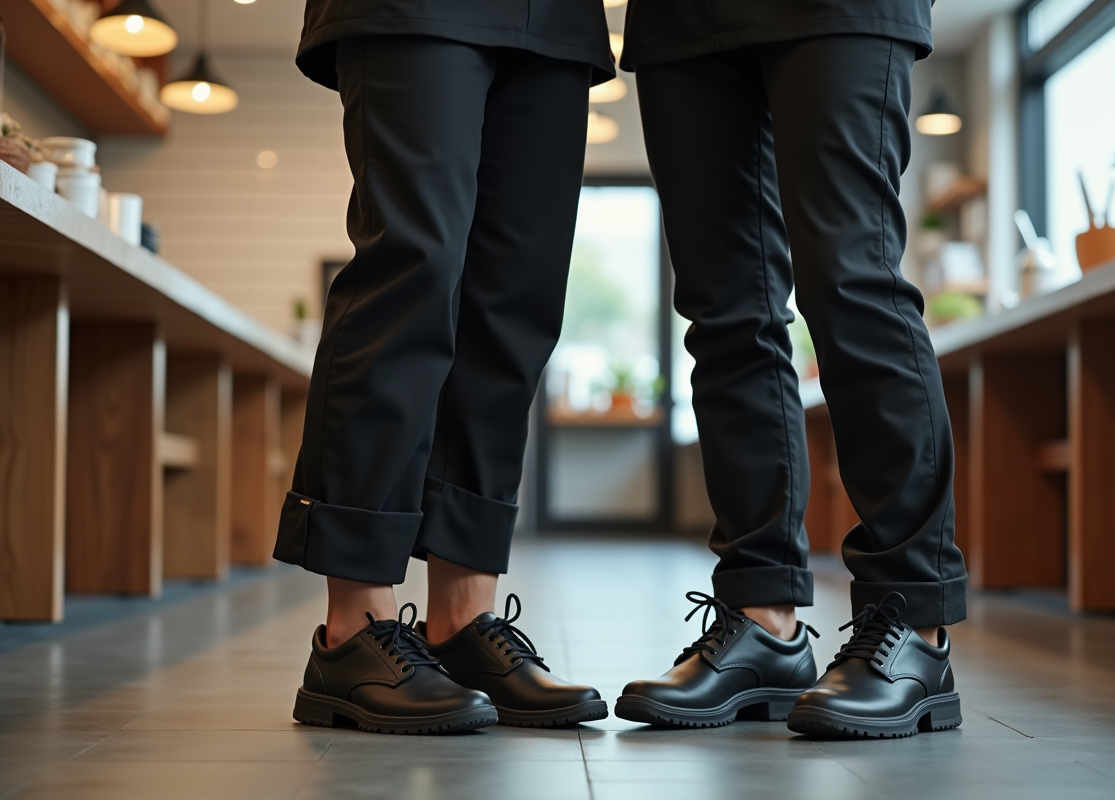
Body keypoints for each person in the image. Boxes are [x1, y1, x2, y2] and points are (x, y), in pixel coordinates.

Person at [613, 0, 969, 737]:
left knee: (852, 281)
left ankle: (915, 622)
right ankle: (761, 619)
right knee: (725, 313)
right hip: (684, 22)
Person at [272, 0, 616, 734]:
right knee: (413, 270)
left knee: (515, 302)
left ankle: (462, 621)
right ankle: (352, 629)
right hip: (414, 7)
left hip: (553, 21)